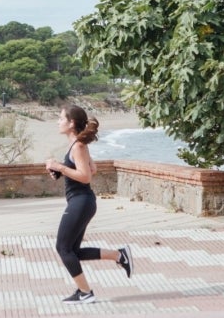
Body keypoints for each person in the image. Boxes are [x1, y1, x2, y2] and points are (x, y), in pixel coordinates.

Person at [45, 105, 133, 305]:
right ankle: (119, 255)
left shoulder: (78, 146)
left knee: (62, 247)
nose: (58, 122)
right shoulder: (76, 145)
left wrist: (59, 166)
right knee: (73, 252)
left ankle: (85, 292)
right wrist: (62, 170)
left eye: (61, 118)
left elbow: (85, 176)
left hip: (81, 201)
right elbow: (93, 168)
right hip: (81, 202)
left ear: (71, 123)